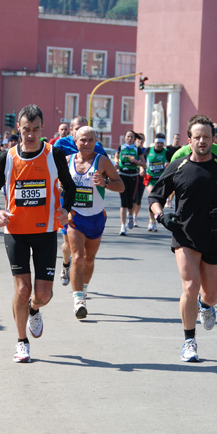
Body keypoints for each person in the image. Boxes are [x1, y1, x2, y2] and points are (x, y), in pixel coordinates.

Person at [0, 104, 76, 363]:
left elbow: (69, 187)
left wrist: (65, 210)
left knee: (43, 295)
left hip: (46, 230)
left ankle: (34, 310)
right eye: (26, 129)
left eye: (36, 130)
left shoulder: (54, 154)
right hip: (15, 231)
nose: (31, 135)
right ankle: (21, 342)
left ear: (42, 129)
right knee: (22, 287)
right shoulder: (6, 157)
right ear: (18, 128)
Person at [149, 114, 217, 362]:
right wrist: (162, 217)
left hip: (215, 236)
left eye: (207, 137)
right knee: (190, 287)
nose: (202, 141)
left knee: (212, 294)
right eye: (198, 137)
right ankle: (189, 341)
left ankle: (207, 306)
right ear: (189, 139)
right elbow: (155, 198)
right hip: (185, 235)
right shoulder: (178, 166)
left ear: (213, 139)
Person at [67, 126, 124, 319]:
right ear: (75, 141)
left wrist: (105, 183)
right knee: (77, 257)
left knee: (89, 259)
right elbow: (56, 184)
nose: (86, 144)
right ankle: (78, 301)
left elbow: (121, 186)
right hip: (75, 217)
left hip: (96, 217)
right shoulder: (68, 161)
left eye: (91, 140)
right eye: (82, 140)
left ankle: (83, 289)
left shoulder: (102, 161)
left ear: (96, 142)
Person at [54, 115, 106, 285]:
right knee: (68, 245)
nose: (84, 138)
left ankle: (79, 278)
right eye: (77, 129)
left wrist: (103, 180)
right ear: (72, 130)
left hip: (90, 202)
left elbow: (106, 166)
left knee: (84, 254)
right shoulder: (61, 144)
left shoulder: (95, 146)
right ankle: (65, 264)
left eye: (84, 128)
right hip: (68, 200)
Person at [114, 130, 146, 236]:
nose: (129, 138)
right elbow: (116, 157)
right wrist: (117, 163)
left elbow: (144, 164)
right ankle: (123, 226)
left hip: (133, 177)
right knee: (123, 201)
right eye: (128, 136)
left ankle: (131, 216)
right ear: (124, 138)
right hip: (122, 176)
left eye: (131, 137)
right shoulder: (120, 148)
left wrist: (136, 162)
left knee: (131, 201)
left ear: (134, 139)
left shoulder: (137, 149)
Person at [143, 133, 169, 232]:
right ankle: (151, 221)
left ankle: (156, 218)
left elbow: (172, 164)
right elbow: (142, 161)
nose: (159, 145)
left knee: (159, 201)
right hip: (150, 178)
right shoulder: (148, 150)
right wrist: (142, 168)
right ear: (155, 142)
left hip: (161, 179)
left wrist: (168, 164)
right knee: (152, 197)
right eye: (157, 143)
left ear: (163, 144)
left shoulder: (167, 152)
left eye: (161, 143)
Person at [132, 132, 146, 227]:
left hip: (142, 176)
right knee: (133, 197)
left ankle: (134, 217)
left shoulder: (146, 150)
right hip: (132, 175)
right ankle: (130, 216)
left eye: (142, 139)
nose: (140, 141)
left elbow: (145, 162)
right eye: (138, 139)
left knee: (138, 199)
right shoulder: (132, 150)